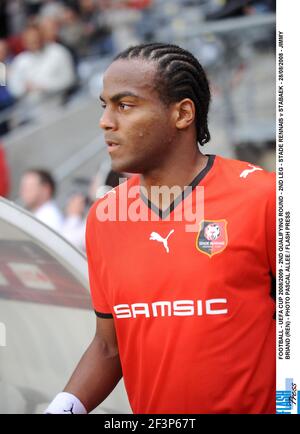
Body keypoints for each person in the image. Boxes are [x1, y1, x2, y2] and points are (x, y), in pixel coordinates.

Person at [45, 43, 275, 414]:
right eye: (104, 105)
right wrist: (63, 407)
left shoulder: (264, 197)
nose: (106, 120)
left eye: (125, 104)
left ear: (182, 113)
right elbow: (110, 346)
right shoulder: (105, 216)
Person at [19, 168, 64, 233]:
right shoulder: (40, 214)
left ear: (46, 189)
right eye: (23, 187)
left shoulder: (49, 218)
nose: (23, 191)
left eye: (30, 186)